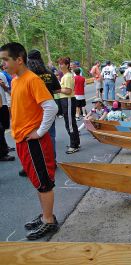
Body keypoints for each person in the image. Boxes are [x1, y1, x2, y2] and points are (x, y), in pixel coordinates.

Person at [0, 42, 59, 240]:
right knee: (37, 180)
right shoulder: (16, 80)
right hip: (22, 139)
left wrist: (40, 132)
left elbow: (51, 107)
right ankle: (45, 215)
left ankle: (49, 221)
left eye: (5, 59)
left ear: (19, 59)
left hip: (34, 141)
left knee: (44, 182)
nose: (3, 64)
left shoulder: (32, 79)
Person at [22, 49, 61, 177]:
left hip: (32, 112)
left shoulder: (28, 76)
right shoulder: (50, 73)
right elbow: (57, 90)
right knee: (51, 137)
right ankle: (52, 162)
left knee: (32, 139)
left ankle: (35, 164)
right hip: (49, 110)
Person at [58, 57, 80, 154]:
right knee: (70, 122)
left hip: (68, 100)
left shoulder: (67, 76)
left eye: (62, 64)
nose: (60, 65)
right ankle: (76, 142)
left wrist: (57, 89)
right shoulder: (65, 75)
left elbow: (68, 91)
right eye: (59, 63)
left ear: (67, 65)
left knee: (70, 123)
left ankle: (73, 145)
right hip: (66, 100)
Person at [0, 69, 14, 161]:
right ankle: (3, 153)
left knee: (3, 128)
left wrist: (3, 85)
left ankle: (4, 147)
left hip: (3, 104)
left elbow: (6, 88)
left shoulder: (1, 75)